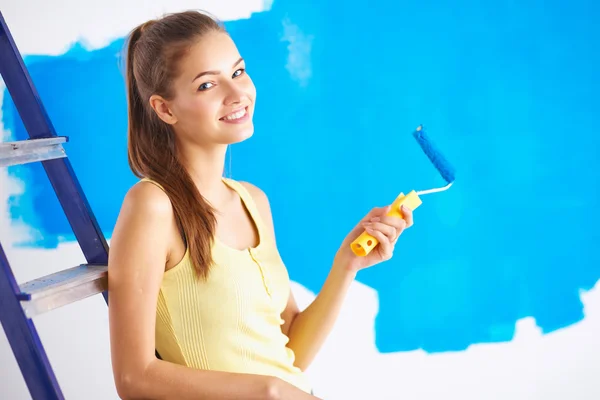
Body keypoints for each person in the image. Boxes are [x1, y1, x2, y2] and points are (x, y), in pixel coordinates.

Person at [107, 9, 414, 400]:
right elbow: (134, 378)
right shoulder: (152, 206)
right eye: (206, 85)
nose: (237, 95)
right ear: (165, 109)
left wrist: (346, 264)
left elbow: (290, 356)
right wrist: (269, 391)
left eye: (237, 73)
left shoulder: (253, 201)